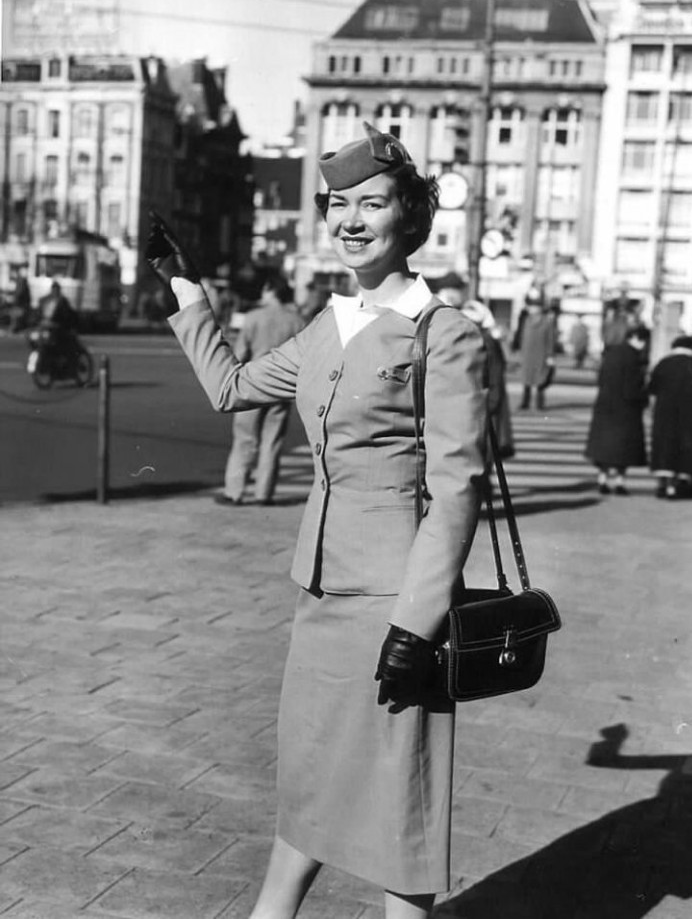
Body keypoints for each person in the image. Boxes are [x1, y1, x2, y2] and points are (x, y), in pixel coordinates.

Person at [145, 121, 488, 919]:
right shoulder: (328, 328)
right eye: (339, 205)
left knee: (397, 817)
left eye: (373, 203)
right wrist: (186, 288)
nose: (352, 220)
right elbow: (230, 386)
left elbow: (457, 488)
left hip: (394, 610)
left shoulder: (447, 335)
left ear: (410, 216)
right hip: (322, 601)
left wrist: (417, 622)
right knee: (306, 791)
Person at [216, 273, 305, 506]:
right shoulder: (296, 320)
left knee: (245, 439)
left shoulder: (253, 317)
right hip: (283, 385)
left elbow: (240, 351)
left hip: (252, 382)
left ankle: (234, 491)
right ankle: (264, 493)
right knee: (272, 441)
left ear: (269, 289)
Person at [585, 324, 650, 495]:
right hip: (627, 410)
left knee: (604, 448)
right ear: (636, 338)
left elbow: (600, 379)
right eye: (643, 341)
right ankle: (619, 482)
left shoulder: (611, 354)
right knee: (624, 450)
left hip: (605, 406)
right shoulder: (635, 358)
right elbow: (634, 387)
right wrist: (644, 399)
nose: (644, 345)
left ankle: (602, 480)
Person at [647, 335, 692, 499]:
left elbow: (652, 388)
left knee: (665, 446)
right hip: (691, 415)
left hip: (664, 414)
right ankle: (682, 482)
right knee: (687, 447)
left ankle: (664, 483)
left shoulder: (664, 364)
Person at [462, 299, 515, 460]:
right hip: (479, 404)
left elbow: (495, 376)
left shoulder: (484, 342)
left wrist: (488, 404)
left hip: (483, 406)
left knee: (481, 456)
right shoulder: (479, 340)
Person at [517, 293, 556, 410]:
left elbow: (550, 339)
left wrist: (550, 355)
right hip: (528, 355)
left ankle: (540, 403)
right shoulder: (526, 320)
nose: (530, 309)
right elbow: (522, 337)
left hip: (541, 354)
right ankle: (525, 402)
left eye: (532, 307)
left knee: (541, 379)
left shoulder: (547, 322)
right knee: (527, 380)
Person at [38, 281, 79, 354]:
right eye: (54, 289)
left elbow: (68, 314)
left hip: (54, 325)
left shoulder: (61, 301)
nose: (55, 291)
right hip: (49, 324)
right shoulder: (46, 300)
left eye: (56, 290)